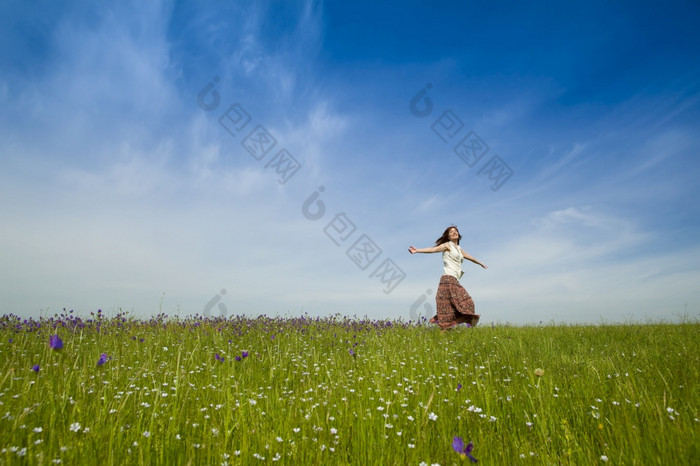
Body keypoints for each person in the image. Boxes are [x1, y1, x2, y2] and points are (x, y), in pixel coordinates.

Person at [408, 226, 487, 330]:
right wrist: (418, 250)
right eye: (451, 232)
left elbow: (471, 257)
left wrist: (480, 263)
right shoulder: (447, 245)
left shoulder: (459, 249)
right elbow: (433, 249)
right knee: (460, 305)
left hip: (455, 280)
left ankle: (449, 329)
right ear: (448, 236)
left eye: (456, 231)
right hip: (447, 279)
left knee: (458, 306)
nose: (454, 233)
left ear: (458, 234)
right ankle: (452, 326)